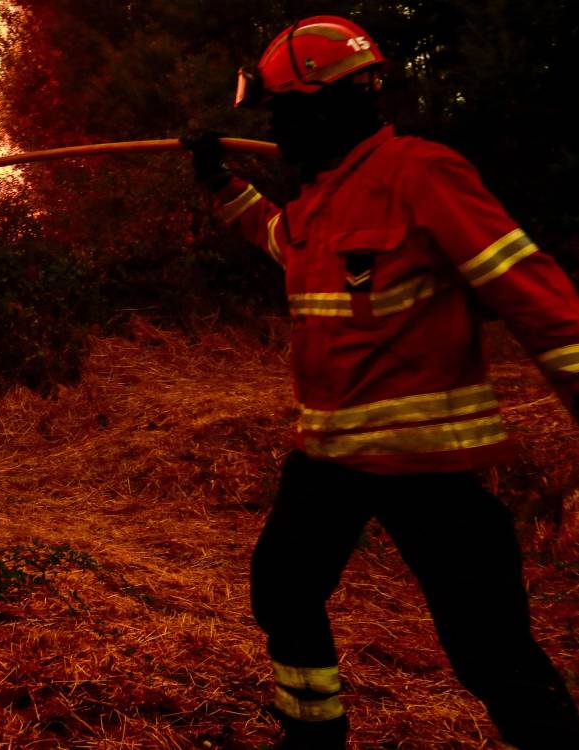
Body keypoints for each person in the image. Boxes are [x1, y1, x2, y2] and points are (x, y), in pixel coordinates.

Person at [184, 15, 579, 749]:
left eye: (285, 113)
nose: (280, 128)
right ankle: (312, 738)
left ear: (327, 104)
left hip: (426, 469)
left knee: (486, 652)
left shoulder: (420, 174)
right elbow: (287, 244)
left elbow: (533, 293)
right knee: (283, 589)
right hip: (330, 461)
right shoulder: (324, 195)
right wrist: (222, 187)